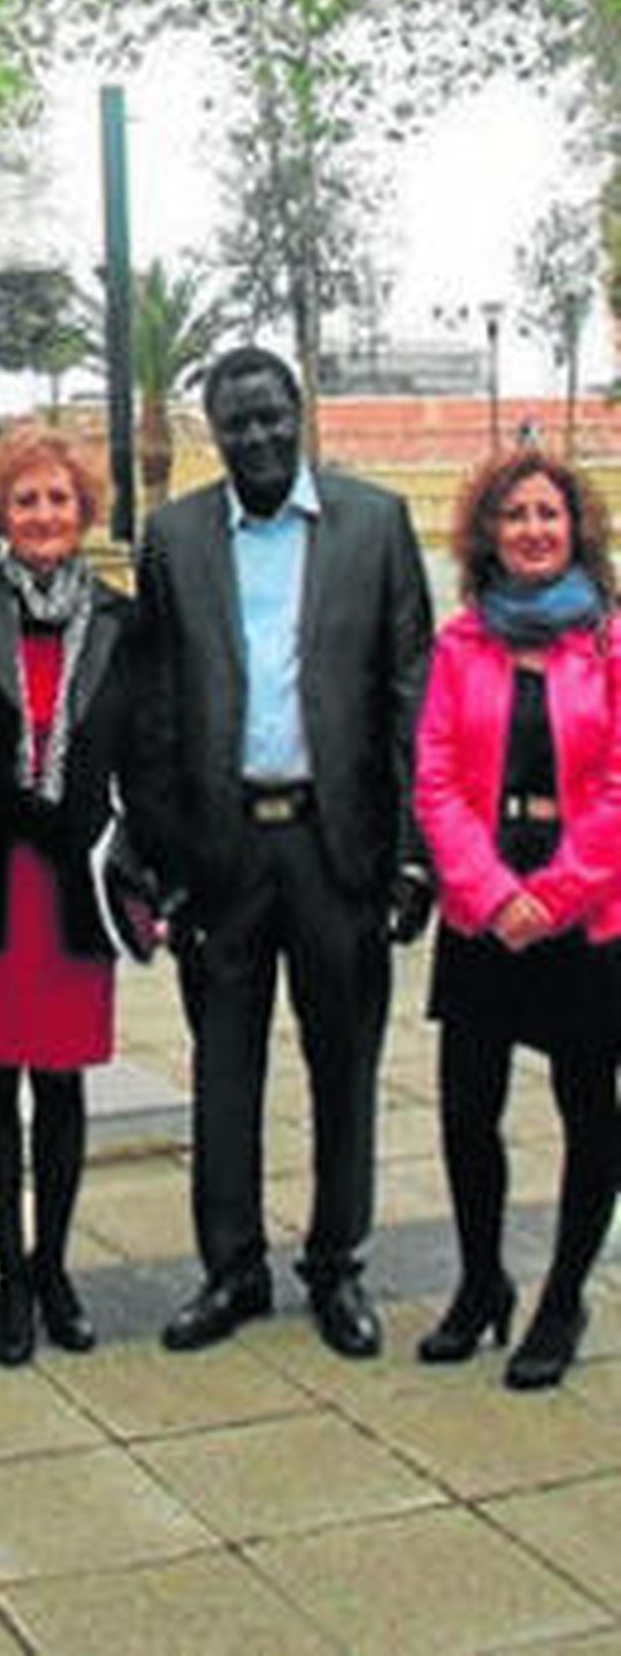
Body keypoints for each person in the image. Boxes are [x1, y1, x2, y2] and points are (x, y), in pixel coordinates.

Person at [136, 345, 433, 1358]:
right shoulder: (172, 537)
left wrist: (411, 853)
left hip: (334, 845)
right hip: (221, 854)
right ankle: (231, 1270)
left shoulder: (375, 524)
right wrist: (167, 860)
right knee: (224, 1069)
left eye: (271, 417)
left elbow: (409, 697)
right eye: (236, 422)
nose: (256, 436)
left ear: (296, 413)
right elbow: (157, 709)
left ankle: (335, 1266)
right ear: (209, 432)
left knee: (343, 1063)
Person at [0, 423, 150, 1365]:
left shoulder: (125, 621)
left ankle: (55, 1264)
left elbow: (148, 758)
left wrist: (150, 875)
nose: (45, 514)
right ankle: (9, 1274)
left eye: (59, 498)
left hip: (74, 884)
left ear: (83, 509)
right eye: (26, 500)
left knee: (61, 1085)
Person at [414, 451, 621, 1389]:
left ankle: (563, 1293)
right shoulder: (462, 645)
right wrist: (496, 893)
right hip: (483, 906)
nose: (534, 527)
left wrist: (560, 892)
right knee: (467, 1109)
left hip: (586, 911)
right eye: (516, 514)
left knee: (590, 1111)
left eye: (550, 512)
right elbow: (439, 778)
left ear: (576, 527)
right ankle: (480, 1280)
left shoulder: (611, 645)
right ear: (488, 533)